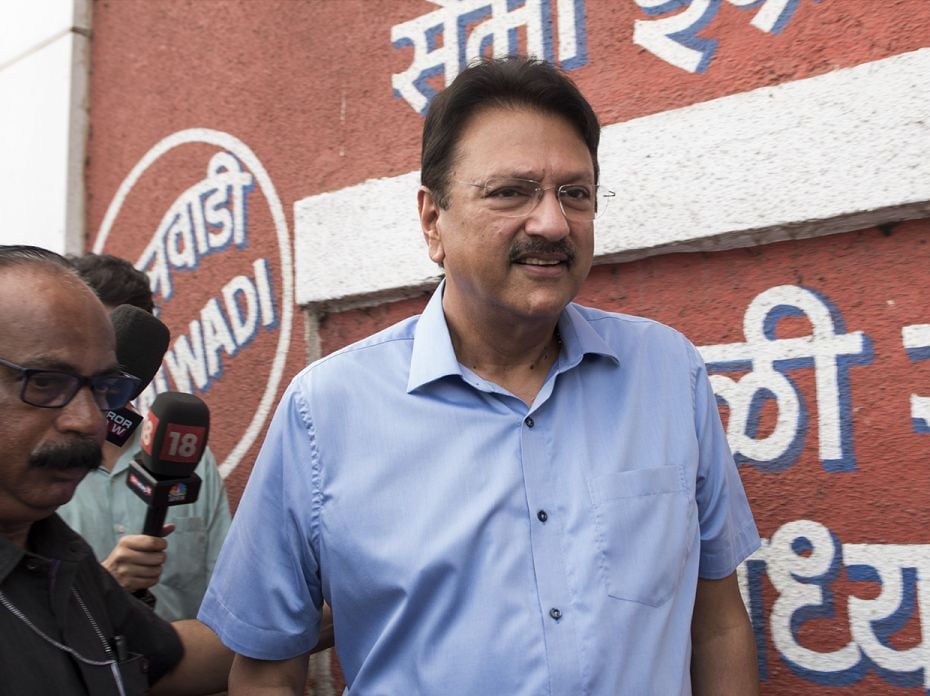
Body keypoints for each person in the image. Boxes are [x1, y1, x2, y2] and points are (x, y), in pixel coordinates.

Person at [199, 56, 762, 694]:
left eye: (574, 193)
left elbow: (716, 622)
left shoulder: (667, 374)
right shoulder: (325, 411)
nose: (552, 223)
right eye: (510, 192)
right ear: (431, 219)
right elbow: (266, 669)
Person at [0, 244, 231, 694]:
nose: (89, 420)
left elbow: (165, 664)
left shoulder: (58, 550)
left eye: (105, 386)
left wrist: (345, 602)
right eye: (46, 382)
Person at [58, 253, 232, 622]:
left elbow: (226, 593)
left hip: (188, 670)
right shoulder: (30, 462)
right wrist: (104, 583)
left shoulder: (188, 455)